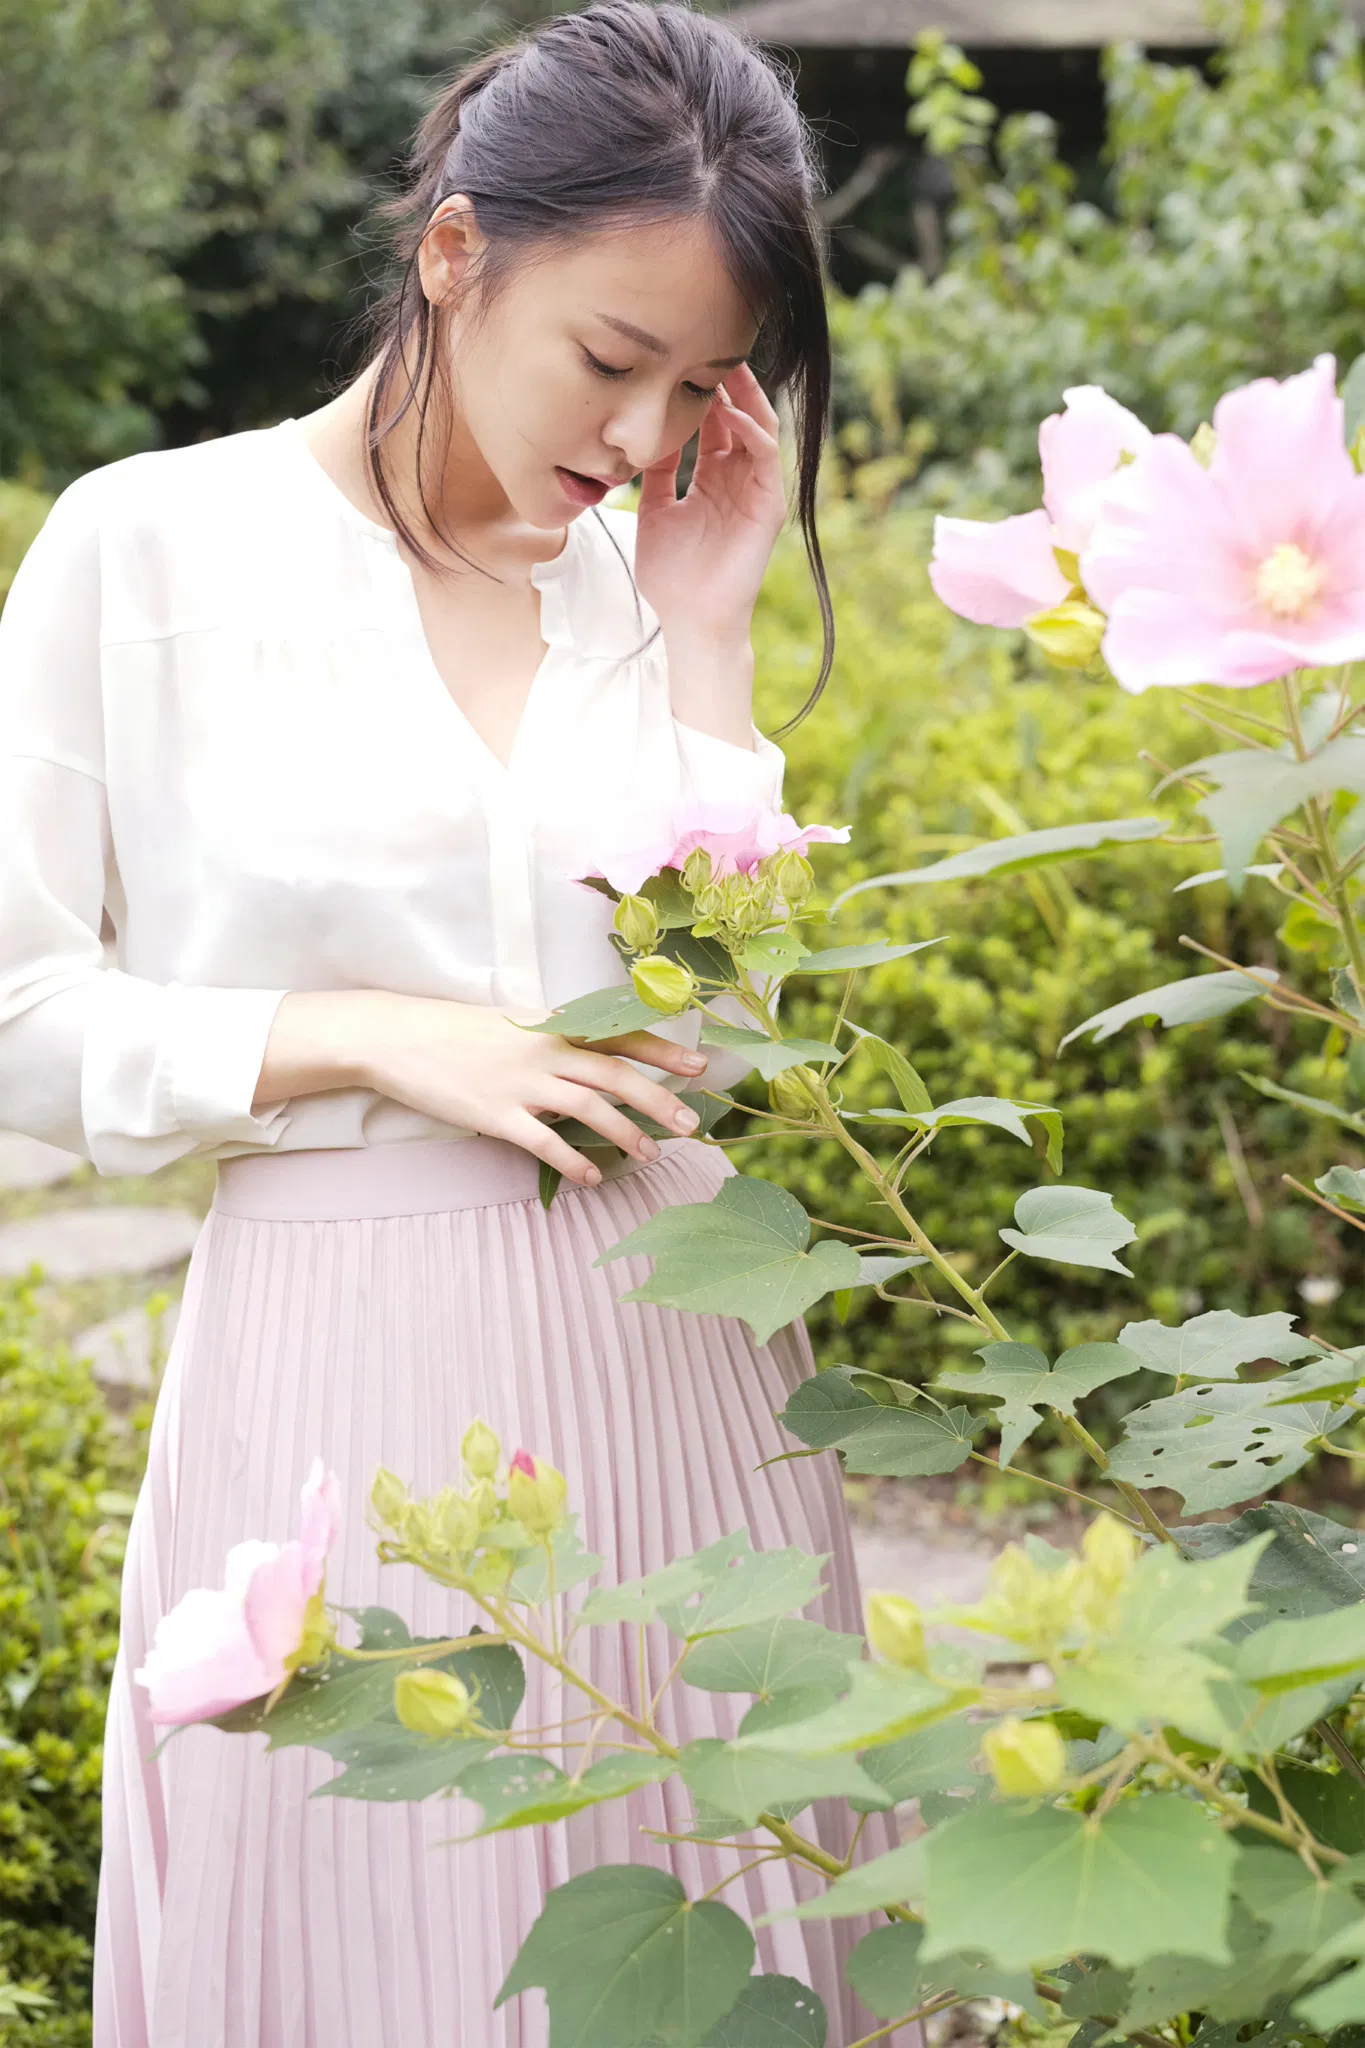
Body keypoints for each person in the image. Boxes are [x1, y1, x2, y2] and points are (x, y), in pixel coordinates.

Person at [0, 5, 902, 2041]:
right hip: (340, 1383)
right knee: (370, 1927)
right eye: (608, 359)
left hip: (688, 1355)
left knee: (712, 1929)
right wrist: (369, 1036)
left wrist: (708, 634)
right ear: (453, 253)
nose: (642, 432)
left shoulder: (638, 585)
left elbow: (734, 1044)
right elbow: (19, 1014)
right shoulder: (149, 550)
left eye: (696, 383)